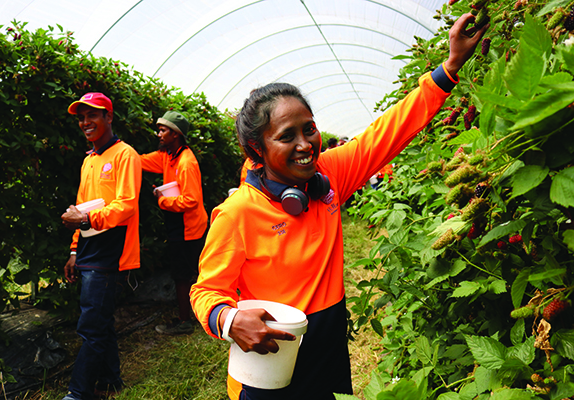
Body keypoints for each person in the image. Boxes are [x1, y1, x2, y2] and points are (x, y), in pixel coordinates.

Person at [190, 13, 487, 400]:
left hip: (328, 347)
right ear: (256, 151)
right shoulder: (238, 213)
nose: (304, 144)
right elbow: (206, 292)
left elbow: (386, 133)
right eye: (287, 136)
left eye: (309, 128)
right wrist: (229, 319)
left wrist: (448, 69)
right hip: (268, 358)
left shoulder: (329, 176)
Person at [60, 92, 142, 400]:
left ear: (108, 117)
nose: (85, 122)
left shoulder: (125, 155)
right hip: (87, 250)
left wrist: (85, 221)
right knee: (100, 322)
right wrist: (72, 250)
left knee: (91, 326)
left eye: (92, 115)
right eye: (81, 117)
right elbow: (81, 206)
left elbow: (126, 206)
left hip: (111, 252)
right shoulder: (89, 160)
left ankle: (78, 392)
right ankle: (111, 381)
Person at [139, 111, 208, 334]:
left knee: (182, 275)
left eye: (163, 130)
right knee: (189, 271)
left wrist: (162, 200)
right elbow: (141, 161)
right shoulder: (169, 156)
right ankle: (199, 312)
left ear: (176, 134)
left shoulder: (186, 162)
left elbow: (190, 200)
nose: (158, 134)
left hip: (189, 227)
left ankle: (185, 321)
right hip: (180, 223)